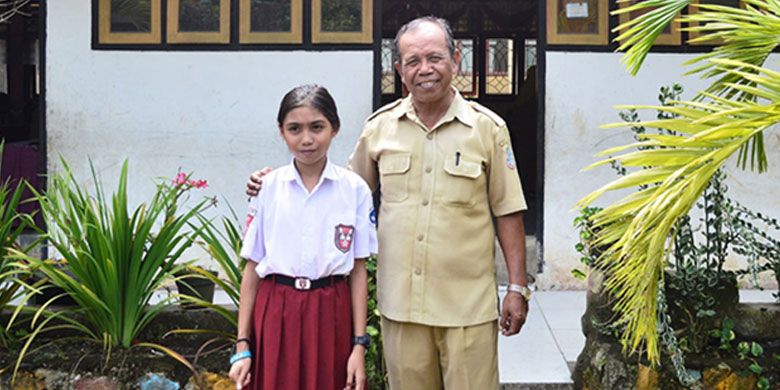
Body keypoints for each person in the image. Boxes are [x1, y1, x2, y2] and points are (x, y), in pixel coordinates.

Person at [247, 17, 531, 389]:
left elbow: (507, 209)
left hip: (467, 306)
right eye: (412, 61)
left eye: (434, 58)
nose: (424, 70)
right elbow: (338, 192)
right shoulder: (380, 129)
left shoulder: (487, 129)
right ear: (398, 69)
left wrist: (517, 287)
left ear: (455, 59)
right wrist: (274, 182)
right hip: (401, 308)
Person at [230, 84, 376, 390]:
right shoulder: (267, 188)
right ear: (281, 131)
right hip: (276, 310)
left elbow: (359, 270)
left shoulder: (354, 190)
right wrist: (242, 345)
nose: (307, 139)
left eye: (317, 127)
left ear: (334, 128)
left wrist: (358, 345)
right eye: (294, 128)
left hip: (331, 311)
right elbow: (252, 269)